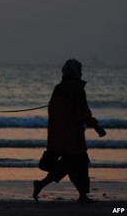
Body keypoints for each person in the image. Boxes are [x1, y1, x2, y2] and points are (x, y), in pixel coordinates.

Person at [33, 59, 107, 203]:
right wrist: (97, 126)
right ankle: (80, 195)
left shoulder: (58, 88)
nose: (81, 73)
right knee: (78, 163)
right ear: (75, 72)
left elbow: (53, 111)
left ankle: (80, 194)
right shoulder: (77, 89)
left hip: (58, 133)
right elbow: (82, 112)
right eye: (80, 70)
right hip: (72, 135)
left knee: (73, 164)